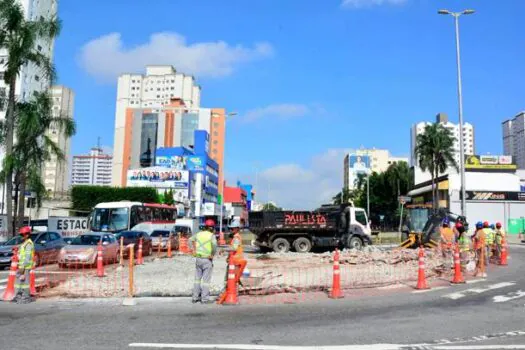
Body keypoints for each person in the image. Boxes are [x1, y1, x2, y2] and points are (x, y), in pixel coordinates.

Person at [189, 219, 217, 304]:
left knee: (197, 279)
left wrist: (193, 250)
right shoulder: (211, 235)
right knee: (206, 281)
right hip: (207, 259)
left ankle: (195, 297)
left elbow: (190, 240)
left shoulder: (199, 234)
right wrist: (212, 254)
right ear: (212, 228)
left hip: (198, 259)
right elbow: (214, 245)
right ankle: (204, 299)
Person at [13, 226, 35, 304]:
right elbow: (22, 254)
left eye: (22, 235)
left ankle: (26, 297)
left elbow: (27, 257)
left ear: (27, 235)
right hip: (22, 266)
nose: (21, 236)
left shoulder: (28, 244)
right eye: (21, 235)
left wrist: (23, 269)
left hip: (25, 266)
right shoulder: (25, 243)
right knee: (19, 281)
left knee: (25, 283)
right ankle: (18, 296)